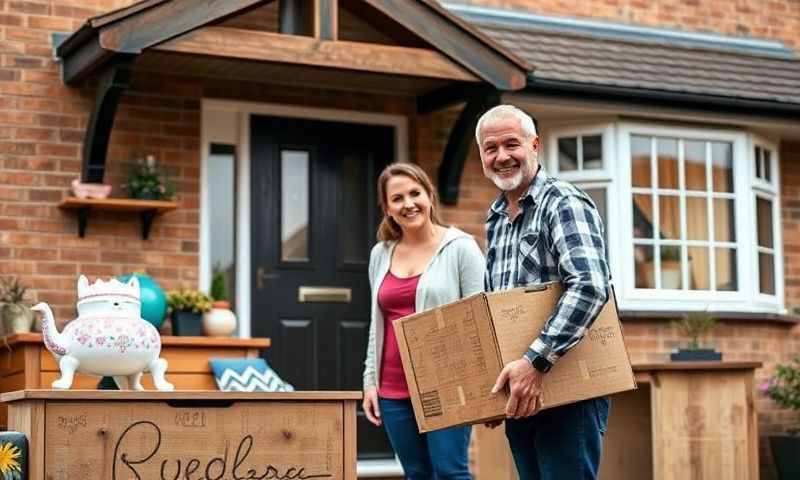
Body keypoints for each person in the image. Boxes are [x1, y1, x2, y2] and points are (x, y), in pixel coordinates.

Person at [477, 104, 611, 480]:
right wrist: (493, 390)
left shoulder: (563, 202)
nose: (502, 156)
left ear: (534, 145)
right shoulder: (497, 217)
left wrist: (534, 363)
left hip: (566, 389)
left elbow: (589, 286)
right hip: (522, 391)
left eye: (511, 144)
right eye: (491, 148)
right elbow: (498, 308)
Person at [362, 163, 484, 480]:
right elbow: (377, 324)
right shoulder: (381, 253)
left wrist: (481, 388)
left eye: (415, 193)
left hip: (447, 383)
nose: (408, 204)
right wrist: (369, 381)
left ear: (430, 195)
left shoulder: (461, 248)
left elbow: (481, 320)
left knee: (450, 472)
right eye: (397, 198)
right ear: (387, 208)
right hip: (392, 389)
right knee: (417, 474)